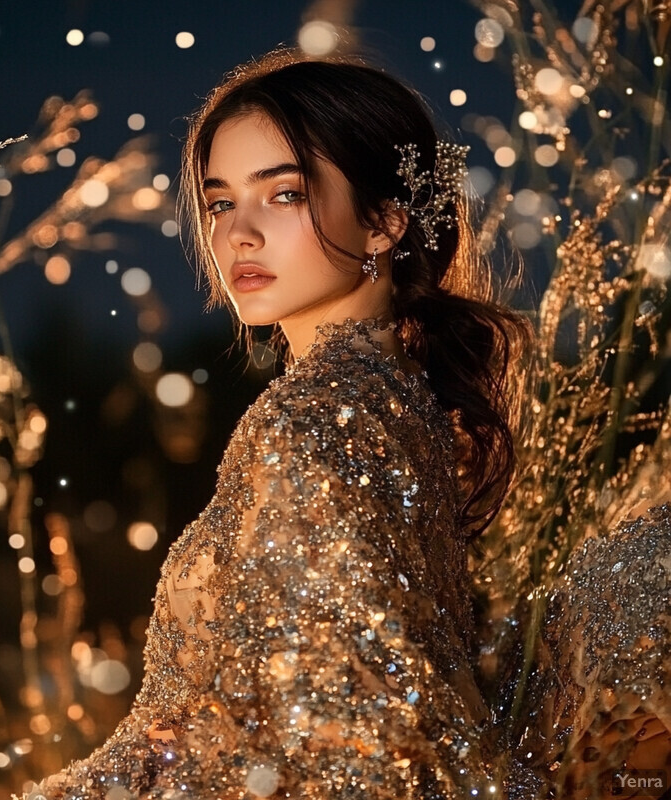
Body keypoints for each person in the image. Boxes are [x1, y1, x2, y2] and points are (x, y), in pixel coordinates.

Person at [29, 49, 533, 799]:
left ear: (383, 222)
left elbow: (343, 736)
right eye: (221, 201)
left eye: (286, 194)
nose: (239, 234)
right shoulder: (399, 398)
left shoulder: (316, 417)